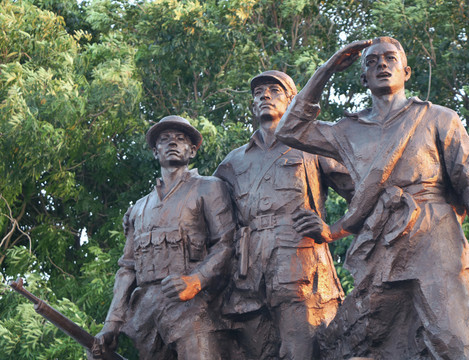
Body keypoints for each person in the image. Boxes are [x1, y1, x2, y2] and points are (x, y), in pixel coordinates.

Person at [276, 37, 469, 359]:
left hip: (434, 236)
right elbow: (289, 129)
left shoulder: (438, 118)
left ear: (406, 71)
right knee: (348, 341)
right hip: (379, 241)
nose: (381, 64)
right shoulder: (347, 129)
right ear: (363, 78)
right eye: (372, 61)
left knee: (454, 341)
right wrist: (328, 68)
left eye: (390, 58)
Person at [213, 70, 353, 360]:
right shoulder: (232, 162)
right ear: (252, 106)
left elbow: (365, 194)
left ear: (291, 102)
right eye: (258, 92)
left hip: (301, 270)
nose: (264, 95)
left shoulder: (312, 147)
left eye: (274, 90)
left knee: (301, 352)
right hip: (248, 278)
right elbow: (209, 225)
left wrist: (334, 230)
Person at [92, 116, 235, 360]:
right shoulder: (138, 208)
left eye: (180, 139)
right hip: (146, 314)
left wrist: (196, 280)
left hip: (194, 308)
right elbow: (127, 269)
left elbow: (225, 244)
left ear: (191, 151)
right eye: (164, 139)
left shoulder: (209, 188)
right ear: (155, 152)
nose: (172, 143)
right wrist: (112, 323)